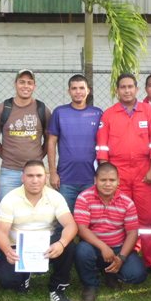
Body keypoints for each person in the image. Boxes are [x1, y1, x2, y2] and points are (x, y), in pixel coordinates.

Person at [96, 73, 151, 265]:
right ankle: (125, 256)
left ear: (136, 89)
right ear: (117, 91)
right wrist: (107, 176)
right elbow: (102, 147)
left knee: (147, 217)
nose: (127, 90)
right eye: (123, 87)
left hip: (143, 172)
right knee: (119, 215)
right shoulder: (108, 114)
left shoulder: (148, 112)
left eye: (130, 87)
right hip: (118, 173)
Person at [0, 160, 78, 301]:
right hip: (18, 247)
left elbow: (71, 225)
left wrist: (61, 244)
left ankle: (57, 289)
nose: (35, 180)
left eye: (39, 175)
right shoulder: (10, 199)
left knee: (68, 245)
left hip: (47, 245)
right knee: (7, 280)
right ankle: (24, 276)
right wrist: (7, 251)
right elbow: (1, 232)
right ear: (22, 178)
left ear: (45, 177)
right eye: (30, 176)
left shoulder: (55, 197)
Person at [73, 163, 147, 301]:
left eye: (112, 180)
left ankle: (111, 274)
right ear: (95, 180)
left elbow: (132, 233)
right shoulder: (84, 197)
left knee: (137, 275)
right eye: (103, 180)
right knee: (82, 250)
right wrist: (103, 247)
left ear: (118, 181)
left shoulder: (127, 202)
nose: (107, 184)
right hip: (94, 247)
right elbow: (82, 229)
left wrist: (121, 258)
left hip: (118, 247)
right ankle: (90, 284)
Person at [0, 69, 51, 208]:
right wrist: (6, 155)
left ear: (34, 86)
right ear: (15, 84)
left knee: (36, 210)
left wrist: (38, 156)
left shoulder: (42, 109)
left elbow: (49, 140)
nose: (26, 86)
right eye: (22, 82)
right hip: (9, 171)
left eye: (29, 83)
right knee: (5, 209)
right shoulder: (3, 108)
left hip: (35, 171)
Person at [47, 74, 103, 212]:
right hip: (66, 179)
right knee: (64, 218)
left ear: (88, 90)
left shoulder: (98, 113)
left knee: (90, 218)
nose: (78, 92)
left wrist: (101, 175)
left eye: (81, 88)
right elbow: (51, 142)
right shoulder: (60, 112)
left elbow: (103, 144)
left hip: (91, 178)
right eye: (74, 88)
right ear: (69, 91)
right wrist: (52, 173)